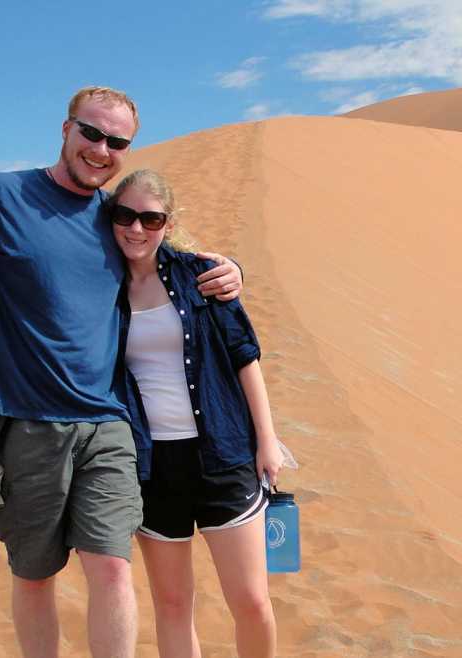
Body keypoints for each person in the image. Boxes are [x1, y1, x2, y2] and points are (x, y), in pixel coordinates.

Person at [0, 87, 245, 658]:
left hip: (107, 425)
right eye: (91, 133)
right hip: (25, 424)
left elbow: (168, 253)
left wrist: (232, 270)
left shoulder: (116, 216)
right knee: (34, 574)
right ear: (66, 130)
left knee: (113, 571)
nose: (101, 150)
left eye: (116, 141)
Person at [110, 169, 281, 658]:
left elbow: (245, 355)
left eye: (150, 218)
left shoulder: (198, 274)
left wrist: (266, 440)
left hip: (224, 454)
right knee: (172, 603)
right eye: (125, 215)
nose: (136, 228)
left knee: (250, 600)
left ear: (167, 222)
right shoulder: (101, 289)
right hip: (152, 466)